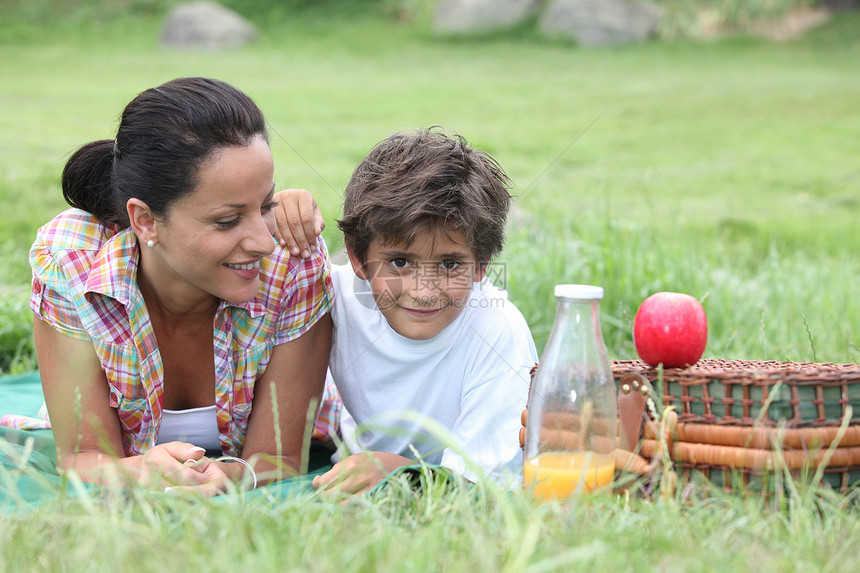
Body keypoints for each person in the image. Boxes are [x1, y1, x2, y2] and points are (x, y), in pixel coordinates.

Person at [10, 77, 334, 495]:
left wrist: (231, 475)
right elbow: (80, 457)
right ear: (144, 220)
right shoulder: (72, 261)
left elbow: (279, 459)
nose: (263, 241)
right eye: (227, 220)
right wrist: (139, 471)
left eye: (266, 204)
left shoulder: (293, 261)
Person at [274, 129, 538, 494]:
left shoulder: (497, 331)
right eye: (399, 262)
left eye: (449, 264)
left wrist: (403, 474)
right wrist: (279, 212)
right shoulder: (329, 296)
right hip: (346, 452)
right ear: (356, 257)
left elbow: (486, 488)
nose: (424, 292)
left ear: (482, 266)